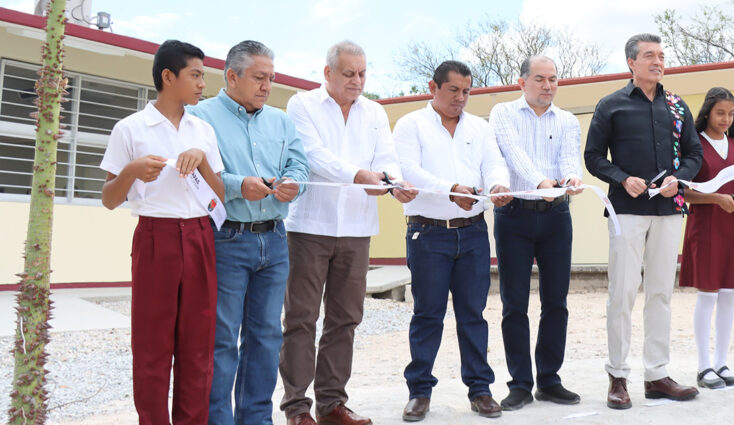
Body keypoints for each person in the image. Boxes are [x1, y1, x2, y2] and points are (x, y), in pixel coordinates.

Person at [280, 41, 417, 425]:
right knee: (301, 319)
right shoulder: (301, 105)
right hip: (309, 226)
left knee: (345, 318)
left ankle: (331, 404)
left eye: (362, 73)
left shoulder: (374, 112)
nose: (357, 81)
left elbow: (386, 158)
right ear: (328, 73)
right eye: (349, 73)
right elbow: (313, 155)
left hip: (357, 229)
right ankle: (296, 407)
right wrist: (360, 176)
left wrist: (392, 182)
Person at [100, 39, 225, 425]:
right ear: (168, 77)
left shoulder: (203, 130)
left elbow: (218, 199)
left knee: (198, 347)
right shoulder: (131, 129)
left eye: (204, 75)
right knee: (152, 346)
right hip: (155, 238)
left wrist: (202, 161)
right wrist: (131, 171)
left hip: (201, 237)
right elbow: (108, 198)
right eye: (196, 75)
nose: (203, 83)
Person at [188, 40, 310, 425]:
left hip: (274, 240)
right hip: (226, 239)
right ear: (231, 76)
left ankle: (256, 419)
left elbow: (299, 165)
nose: (267, 86)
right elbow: (194, 175)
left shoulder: (280, 121)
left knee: (266, 337)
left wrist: (294, 183)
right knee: (221, 339)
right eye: (259, 78)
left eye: (271, 79)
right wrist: (241, 185)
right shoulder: (199, 117)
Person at [584, 33, 703, 410]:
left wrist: (678, 178)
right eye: (649, 55)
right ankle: (618, 377)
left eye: (661, 55)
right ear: (631, 63)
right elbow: (592, 157)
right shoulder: (611, 105)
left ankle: (657, 376)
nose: (658, 61)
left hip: (669, 211)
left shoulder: (676, 105)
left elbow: (694, 154)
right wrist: (621, 178)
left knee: (660, 293)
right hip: (627, 212)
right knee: (622, 293)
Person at [393, 60, 513, 422]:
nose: (461, 98)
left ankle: (480, 389)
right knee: (427, 314)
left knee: (473, 315)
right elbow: (410, 170)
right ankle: (419, 392)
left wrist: (497, 186)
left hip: (474, 232)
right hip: (427, 232)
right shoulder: (410, 125)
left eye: (467, 91)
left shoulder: (480, 126)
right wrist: (450, 190)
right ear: (433, 87)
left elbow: (494, 164)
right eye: (453, 91)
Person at [487, 56, 583, 411]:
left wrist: (571, 178)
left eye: (554, 79)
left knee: (556, 301)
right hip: (514, 216)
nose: (548, 86)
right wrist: (542, 182)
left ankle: (549, 380)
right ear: (522, 82)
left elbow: (569, 158)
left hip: (557, 216)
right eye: (540, 79)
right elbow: (513, 155)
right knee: (515, 303)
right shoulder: (503, 113)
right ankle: (520, 384)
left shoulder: (569, 120)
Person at [678, 87, 734, 389]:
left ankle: (722, 363)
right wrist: (717, 200)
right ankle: (703, 367)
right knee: (708, 294)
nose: (726, 119)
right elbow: (684, 192)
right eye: (720, 113)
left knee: (728, 294)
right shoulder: (694, 144)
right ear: (707, 112)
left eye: (731, 113)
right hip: (707, 224)